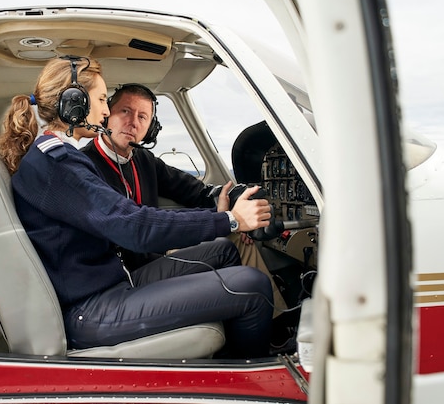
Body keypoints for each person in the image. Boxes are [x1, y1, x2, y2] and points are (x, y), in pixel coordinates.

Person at [0, 56, 274, 358]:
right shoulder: (59, 162)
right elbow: (133, 226)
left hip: (112, 281)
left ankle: (229, 343)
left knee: (225, 251)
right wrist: (230, 221)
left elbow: (136, 217)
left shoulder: (56, 155)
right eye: (102, 99)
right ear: (73, 102)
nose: (104, 111)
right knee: (253, 286)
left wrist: (221, 216)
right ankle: (248, 381)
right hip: (91, 308)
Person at [80, 83, 288, 318]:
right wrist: (226, 220)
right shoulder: (85, 166)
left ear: (150, 128)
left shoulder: (144, 160)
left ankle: (278, 323)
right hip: (125, 274)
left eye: (143, 117)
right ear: (107, 115)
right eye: (125, 112)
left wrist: (229, 209)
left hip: (155, 257)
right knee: (227, 241)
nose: (133, 122)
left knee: (238, 240)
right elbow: (133, 227)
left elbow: (196, 192)